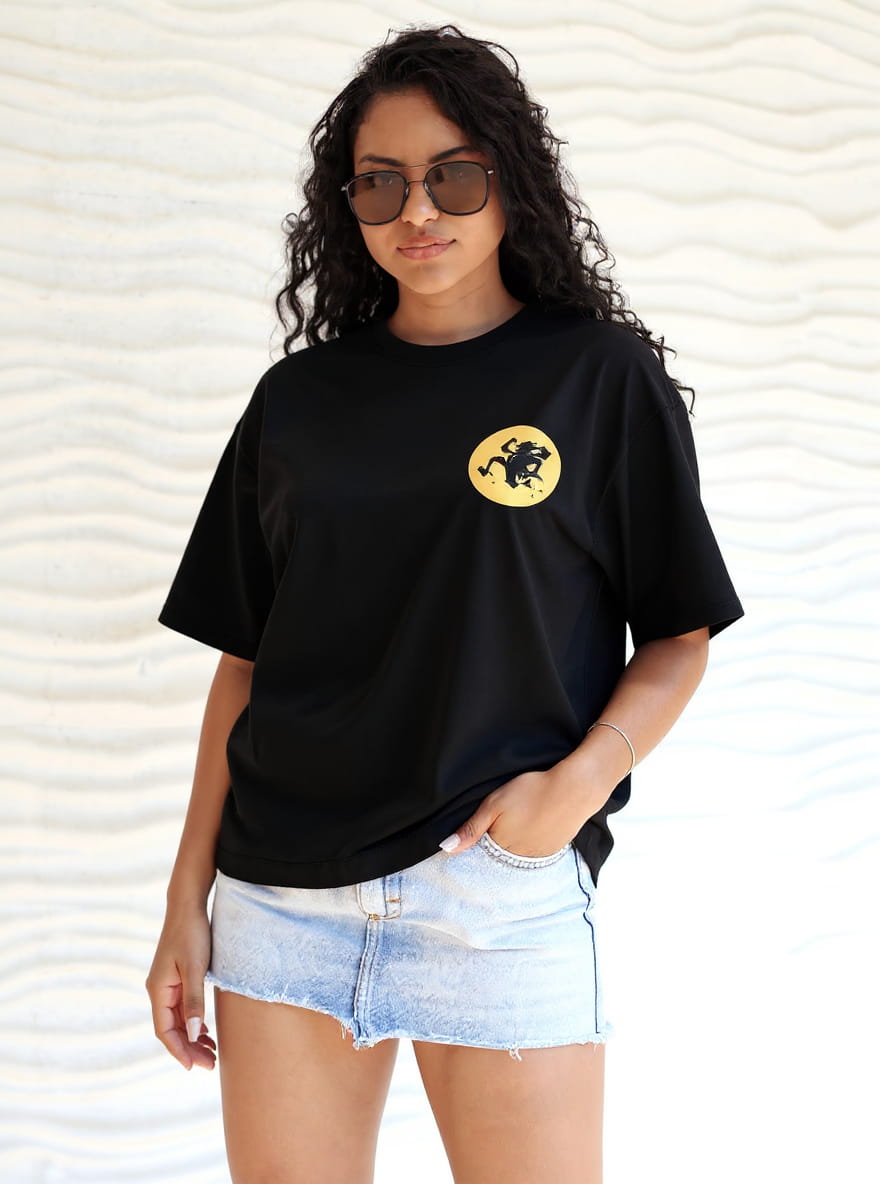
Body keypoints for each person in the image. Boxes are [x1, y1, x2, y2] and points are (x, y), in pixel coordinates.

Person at [145, 22, 743, 1184]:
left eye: (453, 176)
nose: (417, 210)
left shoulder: (597, 377)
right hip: (281, 899)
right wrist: (187, 896)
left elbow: (678, 635)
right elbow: (248, 662)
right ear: (348, 206)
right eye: (380, 183)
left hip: (494, 895)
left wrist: (571, 792)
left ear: (509, 182)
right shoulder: (297, 401)